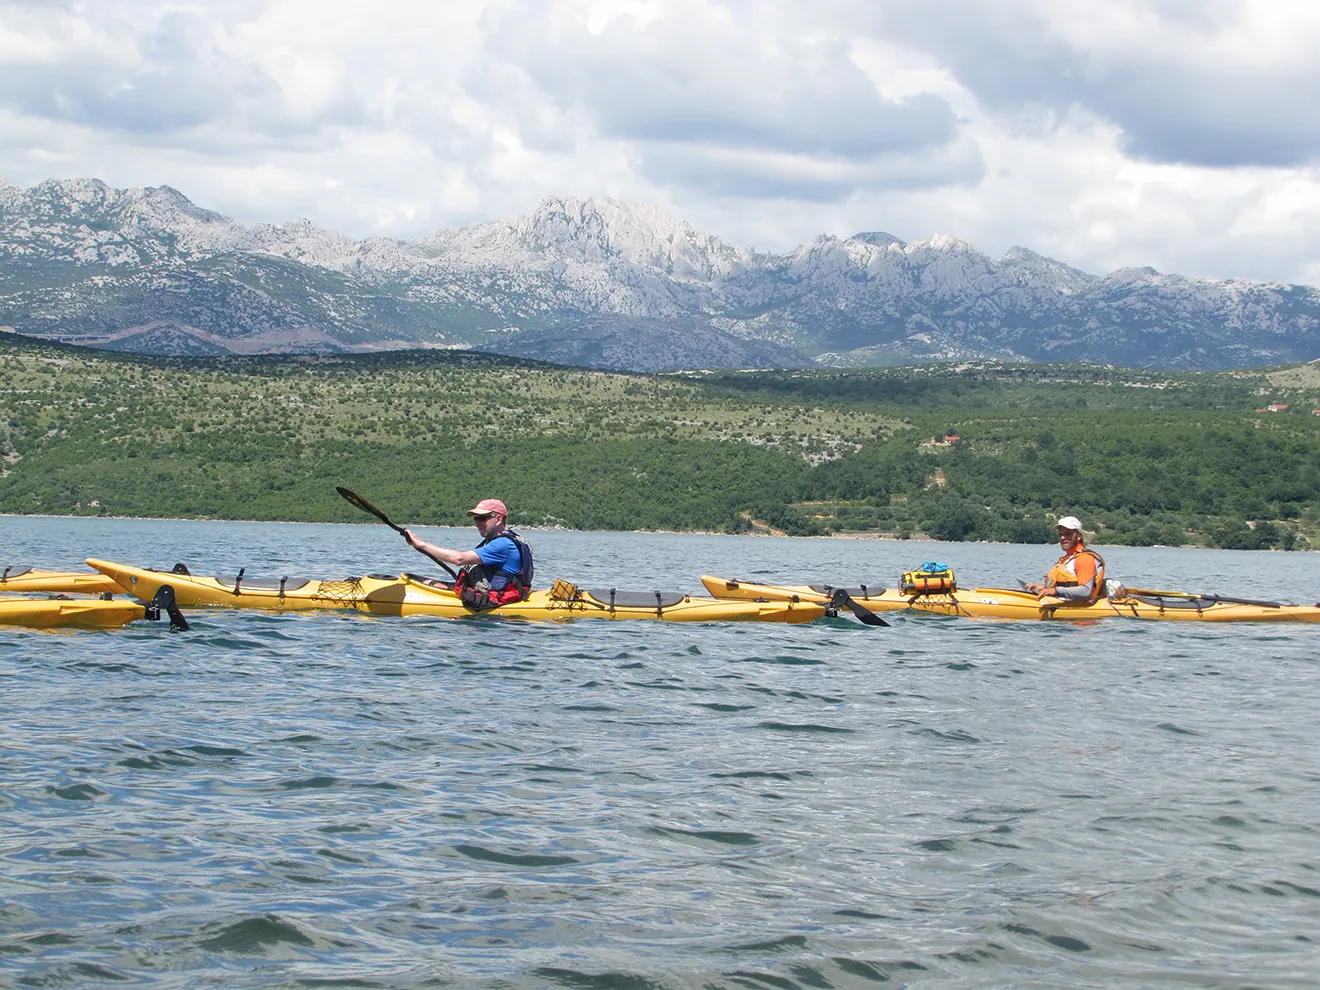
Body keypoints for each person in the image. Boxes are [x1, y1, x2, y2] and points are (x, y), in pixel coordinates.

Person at [403, 498, 534, 609]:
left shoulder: (502, 544)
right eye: (476, 519)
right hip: (501, 591)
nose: (478, 523)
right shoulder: (510, 539)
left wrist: (422, 544)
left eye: (482, 518)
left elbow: (459, 559)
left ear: (498, 519)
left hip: (497, 599)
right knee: (428, 582)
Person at [1026, 515, 1106, 602]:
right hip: (1062, 603)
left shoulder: (1084, 559)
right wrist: (1043, 588)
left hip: (1077, 608)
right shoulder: (1069, 558)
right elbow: (1068, 585)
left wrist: (1055, 591)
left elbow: (1086, 591)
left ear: (1079, 536)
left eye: (1067, 534)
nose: (1062, 538)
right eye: (1060, 534)